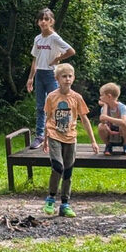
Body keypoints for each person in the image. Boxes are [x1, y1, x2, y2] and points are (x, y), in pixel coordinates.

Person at [41, 63, 98, 218]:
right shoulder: (51, 97)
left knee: (68, 170)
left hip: (70, 137)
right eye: (64, 76)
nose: (67, 79)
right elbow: (48, 118)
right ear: (57, 78)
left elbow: (84, 119)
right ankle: (51, 198)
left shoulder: (76, 97)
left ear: (73, 78)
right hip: (54, 135)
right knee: (57, 167)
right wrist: (45, 139)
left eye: (69, 76)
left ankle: (65, 203)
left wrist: (93, 140)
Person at [26, 8, 75, 150]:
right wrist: (31, 78)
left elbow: (71, 51)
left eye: (46, 19)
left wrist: (57, 59)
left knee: (57, 104)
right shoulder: (38, 38)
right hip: (40, 74)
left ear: (51, 21)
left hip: (51, 75)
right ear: (38, 22)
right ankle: (40, 136)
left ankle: (60, 134)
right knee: (40, 106)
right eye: (41, 19)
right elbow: (35, 59)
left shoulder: (54, 38)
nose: (43, 22)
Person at [98, 83, 126, 156]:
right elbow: (102, 120)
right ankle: (108, 146)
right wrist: (105, 105)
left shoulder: (122, 107)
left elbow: (123, 121)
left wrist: (107, 117)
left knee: (125, 124)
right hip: (110, 133)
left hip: (122, 133)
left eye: (102, 95)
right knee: (101, 126)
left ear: (109, 96)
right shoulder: (104, 108)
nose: (100, 98)